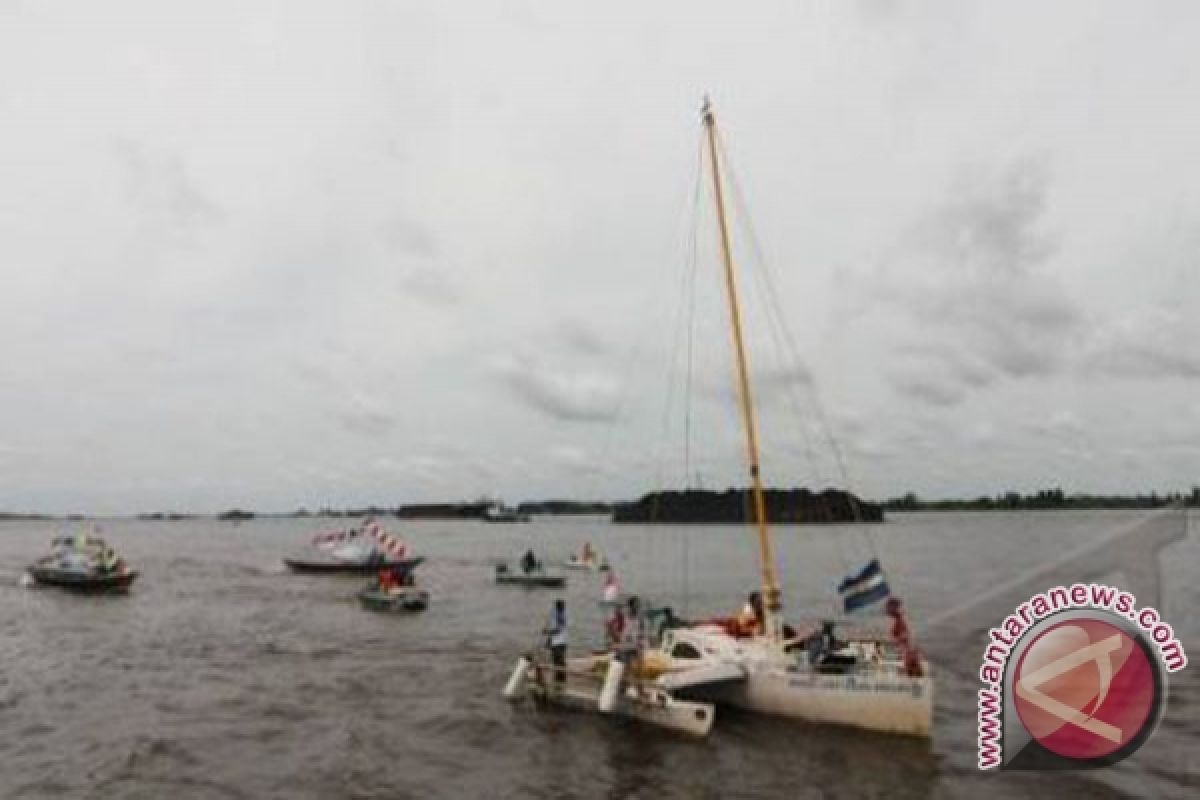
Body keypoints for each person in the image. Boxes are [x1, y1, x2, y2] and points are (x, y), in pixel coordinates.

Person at [544, 599, 568, 686]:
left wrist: (547, 632)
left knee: (560, 661)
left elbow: (558, 630)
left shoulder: (562, 616)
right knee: (556, 661)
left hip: (560, 643)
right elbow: (555, 629)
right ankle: (558, 678)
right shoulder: (556, 616)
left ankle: (561, 679)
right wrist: (548, 640)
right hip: (557, 642)